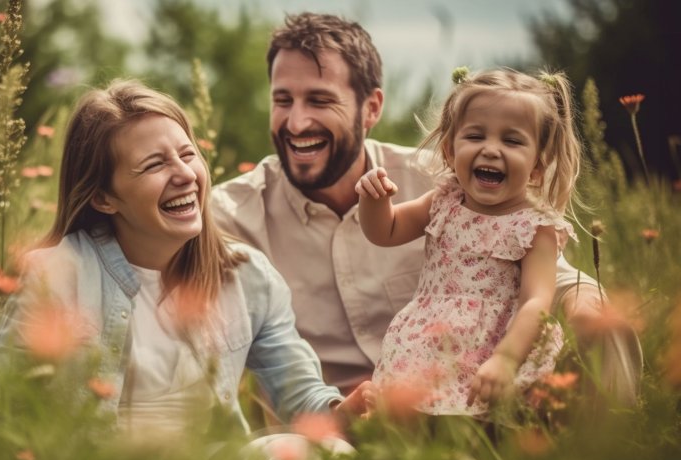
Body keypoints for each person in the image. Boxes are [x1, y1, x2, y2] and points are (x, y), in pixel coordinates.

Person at [210, 13, 642, 403]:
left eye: (320, 101)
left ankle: (606, 455)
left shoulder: (449, 177)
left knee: (607, 327)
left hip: (464, 387)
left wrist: (586, 303)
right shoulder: (232, 214)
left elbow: (549, 279)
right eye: (283, 100)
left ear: (371, 108)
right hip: (332, 420)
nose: (297, 122)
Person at [0, 79, 370, 436]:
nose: (185, 174)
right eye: (155, 164)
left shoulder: (249, 278)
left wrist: (348, 410)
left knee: (326, 457)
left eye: (187, 154)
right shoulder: (55, 275)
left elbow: (301, 398)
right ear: (103, 197)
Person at [357, 67, 578, 415]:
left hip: (493, 348)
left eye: (512, 140)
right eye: (476, 136)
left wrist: (505, 360)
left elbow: (537, 300)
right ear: (449, 150)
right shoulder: (443, 201)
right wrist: (373, 201)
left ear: (538, 165)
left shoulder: (535, 228)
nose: (491, 150)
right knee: (414, 425)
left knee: (482, 427)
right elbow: (385, 231)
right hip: (427, 343)